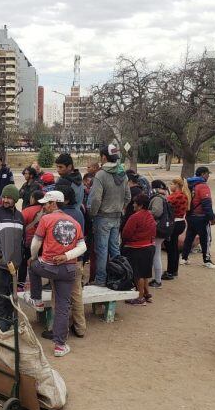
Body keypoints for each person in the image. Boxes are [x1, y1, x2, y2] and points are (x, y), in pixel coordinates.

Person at [26, 190, 86, 358]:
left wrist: (33, 257)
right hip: (68, 269)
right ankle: (60, 345)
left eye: (46, 203)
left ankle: (37, 300)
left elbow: (35, 243)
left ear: (53, 203)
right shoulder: (74, 222)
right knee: (63, 306)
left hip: (48, 266)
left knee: (33, 266)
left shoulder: (46, 219)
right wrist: (66, 256)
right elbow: (83, 247)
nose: (44, 206)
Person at [87, 144, 131, 287]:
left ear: (104, 157)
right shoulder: (122, 173)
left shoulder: (101, 174)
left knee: (102, 250)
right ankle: (119, 276)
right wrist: (120, 208)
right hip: (117, 217)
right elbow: (128, 197)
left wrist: (92, 213)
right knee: (115, 249)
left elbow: (95, 199)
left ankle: (100, 280)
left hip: (102, 217)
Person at [0, 184, 24, 330]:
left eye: (9, 197)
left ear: (15, 199)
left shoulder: (20, 217)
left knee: (10, 299)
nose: (5, 200)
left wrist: (18, 261)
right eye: (4, 197)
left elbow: (21, 241)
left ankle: (8, 327)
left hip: (13, 268)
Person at [55, 184, 86, 338]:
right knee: (76, 295)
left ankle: (60, 329)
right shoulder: (79, 213)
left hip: (62, 260)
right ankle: (80, 328)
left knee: (58, 297)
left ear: (64, 200)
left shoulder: (58, 215)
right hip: (77, 259)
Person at [121, 193, 156, 306]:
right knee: (145, 273)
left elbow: (126, 233)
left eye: (135, 203)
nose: (133, 205)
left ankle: (139, 297)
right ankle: (146, 294)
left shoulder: (135, 217)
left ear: (140, 205)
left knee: (138, 274)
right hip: (149, 246)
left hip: (137, 248)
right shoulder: (150, 215)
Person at [182, 166, 215, 270]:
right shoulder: (203, 186)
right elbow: (206, 203)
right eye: (208, 174)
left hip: (190, 216)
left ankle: (184, 258)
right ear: (203, 174)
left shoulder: (190, 184)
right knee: (206, 239)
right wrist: (212, 217)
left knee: (189, 237)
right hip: (201, 217)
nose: (208, 176)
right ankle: (207, 261)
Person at [163, 177, 191, 280]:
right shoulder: (184, 195)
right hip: (180, 222)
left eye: (172, 184)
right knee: (174, 248)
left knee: (171, 248)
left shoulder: (176, 196)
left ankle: (170, 271)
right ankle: (174, 270)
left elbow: (165, 203)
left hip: (174, 223)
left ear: (177, 185)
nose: (171, 186)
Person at [20, 189, 45, 290]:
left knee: (24, 264)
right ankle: (40, 284)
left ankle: (20, 284)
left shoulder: (26, 211)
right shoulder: (46, 210)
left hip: (28, 243)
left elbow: (21, 227)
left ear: (33, 199)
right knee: (41, 264)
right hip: (43, 243)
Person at [148, 180, 170, 288]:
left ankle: (157, 280)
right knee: (156, 254)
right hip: (163, 229)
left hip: (158, 229)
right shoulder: (164, 196)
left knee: (156, 255)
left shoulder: (157, 198)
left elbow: (156, 212)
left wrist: (145, 213)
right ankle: (156, 279)